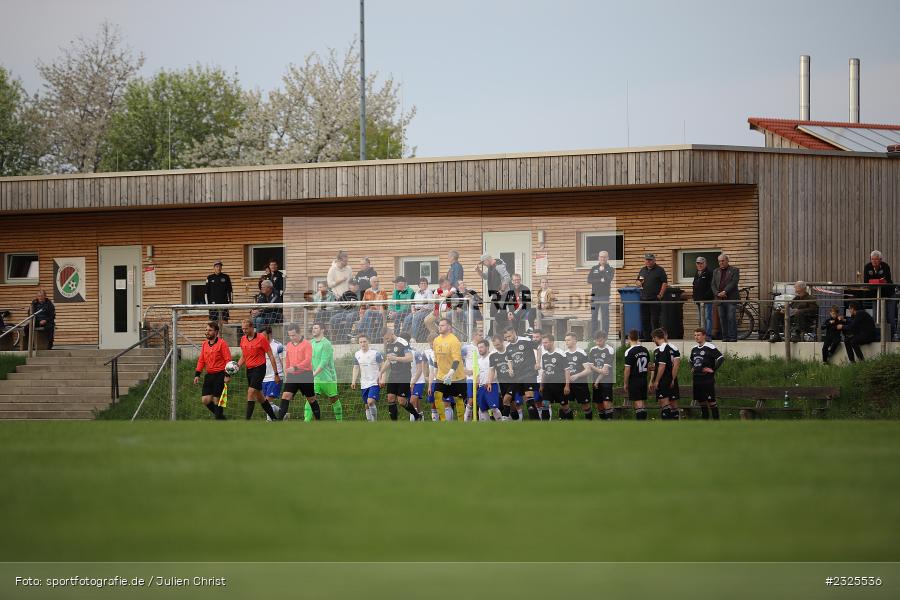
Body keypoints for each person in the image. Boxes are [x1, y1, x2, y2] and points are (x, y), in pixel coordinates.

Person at [236, 319, 280, 421]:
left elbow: (271, 355)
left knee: (251, 392)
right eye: (243, 329)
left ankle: (247, 421)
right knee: (260, 397)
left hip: (259, 368)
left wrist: (276, 373)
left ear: (252, 327)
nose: (244, 331)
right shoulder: (243, 339)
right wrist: (237, 367)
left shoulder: (261, 338)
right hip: (249, 370)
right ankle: (274, 418)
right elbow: (244, 356)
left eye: (246, 328)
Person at [380, 328, 422, 421]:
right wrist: (381, 372)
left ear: (392, 333)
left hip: (404, 374)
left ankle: (417, 415)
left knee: (402, 401)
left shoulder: (402, 342)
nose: (386, 341)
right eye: (385, 339)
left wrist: (396, 358)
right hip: (393, 374)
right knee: (390, 398)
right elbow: (388, 360)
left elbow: (410, 358)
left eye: (387, 338)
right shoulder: (388, 345)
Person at [193, 321, 231, 420]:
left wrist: (227, 375)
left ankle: (218, 421)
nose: (207, 332)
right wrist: (197, 374)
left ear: (216, 332)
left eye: (210, 330)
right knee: (205, 400)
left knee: (216, 400)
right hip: (209, 375)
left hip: (220, 374)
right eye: (206, 330)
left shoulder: (222, 343)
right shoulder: (205, 344)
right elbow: (201, 360)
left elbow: (228, 360)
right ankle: (221, 418)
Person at [432, 318, 467, 421]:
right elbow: (436, 358)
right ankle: (443, 421)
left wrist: (451, 373)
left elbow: (457, 359)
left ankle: (461, 423)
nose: (440, 327)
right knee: (437, 396)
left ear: (449, 327)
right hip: (441, 376)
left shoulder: (454, 340)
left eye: (442, 325)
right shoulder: (436, 340)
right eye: (439, 325)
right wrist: (435, 372)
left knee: (458, 400)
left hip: (457, 377)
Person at [503, 326, 541, 420]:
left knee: (529, 396)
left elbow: (539, 347)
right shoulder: (508, 347)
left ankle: (534, 422)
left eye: (509, 336)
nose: (508, 339)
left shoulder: (525, 340)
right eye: (506, 337)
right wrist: (510, 369)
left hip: (529, 373)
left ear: (514, 332)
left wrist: (538, 362)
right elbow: (509, 359)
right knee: (525, 400)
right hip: (517, 376)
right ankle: (535, 419)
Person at [280, 322, 316, 421]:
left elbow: (308, 360)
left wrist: (295, 367)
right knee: (285, 396)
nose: (292, 337)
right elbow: (287, 360)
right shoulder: (289, 345)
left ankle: (318, 420)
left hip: (305, 375)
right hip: (292, 376)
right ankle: (278, 421)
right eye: (290, 335)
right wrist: (287, 371)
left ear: (299, 333)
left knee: (311, 399)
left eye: (294, 335)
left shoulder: (307, 344)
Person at [309, 323, 342, 420]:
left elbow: (323, 363)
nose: (313, 329)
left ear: (322, 330)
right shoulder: (311, 343)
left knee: (334, 399)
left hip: (328, 378)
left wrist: (313, 374)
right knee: (310, 399)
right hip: (316, 378)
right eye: (313, 328)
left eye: (316, 328)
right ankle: (306, 422)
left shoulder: (326, 343)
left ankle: (340, 423)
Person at [689, 328, 724, 420]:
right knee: (701, 401)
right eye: (695, 335)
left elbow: (720, 358)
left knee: (711, 401)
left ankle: (717, 422)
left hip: (707, 379)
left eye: (699, 335)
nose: (696, 337)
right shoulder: (694, 349)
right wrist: (692, 367)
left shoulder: (710, 346)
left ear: (704, 336)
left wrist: (712, 369)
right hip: (697, 379)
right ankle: (705, 422)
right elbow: (690, 360)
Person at [863, 250, 896, 340]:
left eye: (876, 259)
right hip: (876, 295)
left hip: (889, 294)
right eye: (872, 259)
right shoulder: (867, 267)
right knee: (876, 316)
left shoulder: (885, 266)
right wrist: (878, 280)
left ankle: (892, 337)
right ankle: (876, 337)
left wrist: (875, 280)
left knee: (890, 317)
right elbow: (866, 281)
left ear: (880, 259)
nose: (874, 261)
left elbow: (887, 280)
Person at [475, 254, 511, 336]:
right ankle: (492, 333)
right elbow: (485, 277)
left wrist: (502, 289)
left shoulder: (499, 266)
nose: (483, 264)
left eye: (483, 263)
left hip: (503, 293)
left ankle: (505, 333)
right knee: (492, 312)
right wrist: (478, 271)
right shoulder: (490, 268)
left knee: (503, 313)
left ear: (487, 260)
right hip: (496, 293)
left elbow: (507, 277)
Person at [650, 328, 681, 420]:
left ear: (656, 337)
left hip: (664, 379)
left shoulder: (662, 348)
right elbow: (675, 365)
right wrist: (673, 378)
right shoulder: (672, 348)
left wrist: (656, 381)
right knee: (673, 403)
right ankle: (676, 425)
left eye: (653, 338)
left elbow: (662, 366)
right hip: (671, 378)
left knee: (664, 402)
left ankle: (667, 426)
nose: (652, 340)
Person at [636, 253, 668, 342]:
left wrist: (661, 294)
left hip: (655, 298)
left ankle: (657, 338)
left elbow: (664, 283)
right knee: (645, 319)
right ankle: (647, 338)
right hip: (644, 298)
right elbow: (639, 281)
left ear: (654, 260)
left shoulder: (660, 270)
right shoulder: (643, 270)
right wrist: (638, 283)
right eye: (647, 260)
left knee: (655, 319)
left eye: (650, 260)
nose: (648, 261)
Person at [351, 334, 383, 421]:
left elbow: (382, 367)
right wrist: (353, 381)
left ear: (368, 342)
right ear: (358, 343)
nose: (363, 344)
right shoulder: (357, 354)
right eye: (360, 342)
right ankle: (370, 423)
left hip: (374, 382)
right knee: (366, 405)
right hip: (364, 383)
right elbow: (356, 367)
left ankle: (375, 421)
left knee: (370, 401)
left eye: (364, 341)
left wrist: (382, 378)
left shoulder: (376, 354)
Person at [540, 334, 571, 420]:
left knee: (565, 406)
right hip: (547, 386)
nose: (544, 344)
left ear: (552, 342)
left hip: (559, 385)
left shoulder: (561, 353)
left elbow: (567, 370)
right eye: (543, 343)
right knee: (545, 405)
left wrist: (567, 385)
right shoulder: (544, 355)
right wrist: (541, 385)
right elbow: (544, 372)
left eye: (546, 342)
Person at [563, 332, 592, 419]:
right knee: (564, 404)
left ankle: (589, 425)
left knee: (585, 406)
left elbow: (588, 370)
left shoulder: (581, 353)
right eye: (565, 340)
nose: (566, 342)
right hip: (568, 384)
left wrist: (577, 376)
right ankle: (570, 426)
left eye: (568, 340)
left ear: (575, 340)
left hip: (580, 384)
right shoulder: (564, 354)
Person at [711, 254, 740, 342]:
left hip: (731, 298)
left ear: (727, 261)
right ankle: (725, 337)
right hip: (720, 299)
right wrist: (717, 293)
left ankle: (733, 337)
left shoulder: (734, 270)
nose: (721, 263)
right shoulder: (716, 271)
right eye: (719, 261)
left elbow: (734, 282)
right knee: (722, 318)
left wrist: (725, 291)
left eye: (723, 261)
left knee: (731, 317)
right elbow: (713, 284)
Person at [623, 329, 650, 420]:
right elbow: (649, 366)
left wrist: (625, 383)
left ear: (629, 338)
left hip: (634, 379)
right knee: (642, 402)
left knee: (638, 402)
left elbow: (627, 369)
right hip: (643, 378)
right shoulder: (645, 350)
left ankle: (641, 424)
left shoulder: (629, 351)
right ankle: (643, 421)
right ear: (638, 338)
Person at [588, 330, 615, 421]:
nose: (598, 342)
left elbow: (606, 369)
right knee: (599, 403)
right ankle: (603, 422)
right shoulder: (593, 350)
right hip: (596, 379)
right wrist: (599, 371)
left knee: (606, 401)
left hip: (606, 379)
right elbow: (590, 365)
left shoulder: (609, 349)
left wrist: (597, 381)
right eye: (597, 340)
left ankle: (609, 422)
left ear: (605, 339)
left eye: (600, 340)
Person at [260, 326, 286, 421]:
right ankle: (283, 413)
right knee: (266, 402)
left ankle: (270, 420)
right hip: (264, 378)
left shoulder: (278, 346)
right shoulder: (260, 346)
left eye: (263, 335)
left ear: (269, 334)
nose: (261, 337)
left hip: (276, 377)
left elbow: (284, 361)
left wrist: (284, 375)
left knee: (267, 400)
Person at [490, 335, 518, 421]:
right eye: (495, 345)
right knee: (511, 404)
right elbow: (492, 370)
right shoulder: (493, 356)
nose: (496, 347)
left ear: (503, 341)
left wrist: (512, 371)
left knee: (506, 400)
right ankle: (517, 420)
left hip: (513, 382)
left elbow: (515, 365)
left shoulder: (510, 352)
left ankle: (504, 420)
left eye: (498, 344)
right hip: (502, 383)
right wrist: (489, 382)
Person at [587, 250, 615, 337]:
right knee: (594, 315)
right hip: (594, 296)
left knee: (605, 316)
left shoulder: (610, 269)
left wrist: (603, 272)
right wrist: (600, 280)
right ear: (598, 258)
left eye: (604, 257)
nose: (602, 258)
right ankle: (594, 335)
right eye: (601, 257)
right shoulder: (594, 268)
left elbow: (608, 280)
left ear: (608, 258)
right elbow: (589, 280)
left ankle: (604, 335)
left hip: (605, 296)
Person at [475, 338, 502, 421]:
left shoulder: (492, 357)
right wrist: (476, 386)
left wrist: (489, 381)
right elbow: (478, 375)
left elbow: (496, 372)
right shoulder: (479, 360)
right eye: (478, 347)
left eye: (482, 347)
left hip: (491, 385)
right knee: (483, 409)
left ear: (487, 347)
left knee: (493, 408)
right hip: (481, 387)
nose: (480, 349)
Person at [330, 278, 361, 344]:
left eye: (353, 285)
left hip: (356, 312)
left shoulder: (361, 293)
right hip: (346, 312)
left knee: (349, 316)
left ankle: (346, 336)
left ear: (357, 286)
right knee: (333, 319)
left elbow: (357, 305)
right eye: (350, 284)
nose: (350, 286)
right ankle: (339, 337)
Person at [358, 276, 389, 342]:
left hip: (379, 312)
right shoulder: (367, 291)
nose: (376, 283)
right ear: (370, 283)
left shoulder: (383, 291)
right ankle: (370, 338)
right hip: (370, 314)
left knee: (368, 312)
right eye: (375, 282)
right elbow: (363, 305)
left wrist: (383, 312)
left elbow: (385, 305)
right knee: (369, 317)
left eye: (378, 281)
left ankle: (360, 331)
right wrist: (361, 316)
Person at [692, 257, 714, 338]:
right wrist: (694, 297)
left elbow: (712, 286)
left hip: (707, 300)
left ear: (705, 263)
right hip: (698, 300)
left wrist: (705, 296)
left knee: (708, 317)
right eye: (698, 263)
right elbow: (694, 285)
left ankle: (708, 335)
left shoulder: (710, 272)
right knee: (701, 318)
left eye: (701, 263)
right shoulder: (697, 273)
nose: (699, 265)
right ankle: (701, 336)